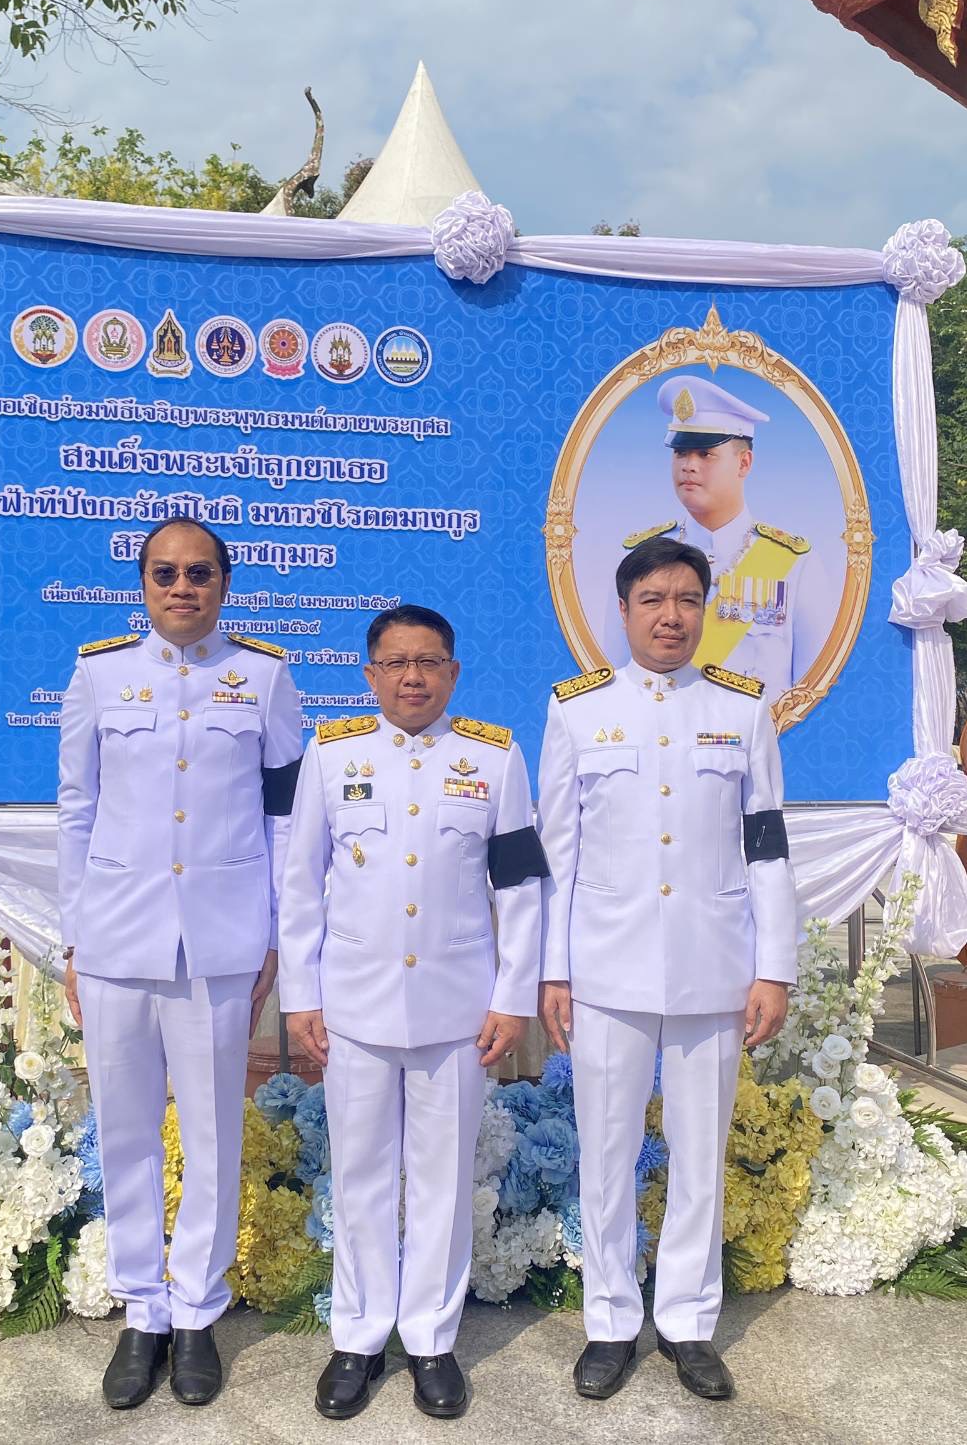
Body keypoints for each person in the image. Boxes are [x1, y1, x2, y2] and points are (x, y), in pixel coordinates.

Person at [538, 536, 796, 1403]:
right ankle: (609, 1320)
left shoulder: (744, 710)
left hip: (712, 966)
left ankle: (687, 1320)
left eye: (687, 598)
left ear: (706, 607)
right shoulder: (577, 711)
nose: (671, 615)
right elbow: (557, 857)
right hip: (605, 968)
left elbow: (767, 848)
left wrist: (776, 966)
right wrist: (552, 970)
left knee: (699, 1152)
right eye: (652, 598)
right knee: (606, 1154)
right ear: (624, 608)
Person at [279, 604, 547, 1421]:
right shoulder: (331, 755)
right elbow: (298, 886)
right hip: (355, 1007)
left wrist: (513, 995)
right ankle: (357, 1338)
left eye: (429, 661)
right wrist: (301, 996)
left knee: (441, 1180)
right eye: (395, 662)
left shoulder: (494, 760)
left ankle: (431, 1337)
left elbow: (522, 886)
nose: (412, 677)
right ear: (369, 674)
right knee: (358, 1174)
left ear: (453, 673)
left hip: (458, 1010)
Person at [58, 517, 302, 1410]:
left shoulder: (267, 678)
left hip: (221, 940)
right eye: (166, 572)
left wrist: (275, 931)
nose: (182, 587)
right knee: (123, 1126)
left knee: (210, 1129)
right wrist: (74, 937)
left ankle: (197, 1306)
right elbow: (76, 811)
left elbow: (286, 816)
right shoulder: (99, 673)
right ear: (144, 581)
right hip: (118, 935)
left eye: (200, 572)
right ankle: (142, 1311)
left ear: (224, 582)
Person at [602, 374, 832, 702]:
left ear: (744, 463)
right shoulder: (638, 556)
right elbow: (615, 680)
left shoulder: (794, 564)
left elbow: (812, 693)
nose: (688, 466)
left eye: (705, 454)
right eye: (680, 453)